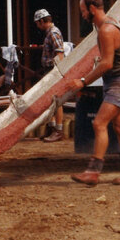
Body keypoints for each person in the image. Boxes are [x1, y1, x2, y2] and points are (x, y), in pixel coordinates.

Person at [70, 0, 120, 185]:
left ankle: (93, 172)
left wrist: (83, 81)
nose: (82, 14)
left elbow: (107, 63)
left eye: (83, 10)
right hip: (118, 82)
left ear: (92, 8)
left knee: (99, 123)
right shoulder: (106, 25)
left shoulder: (107, 30)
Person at [35, 8, 67, 142]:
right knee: (50, 101)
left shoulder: (53, 33)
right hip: (49, 70)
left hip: (53, 70)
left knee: (57, 100)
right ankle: (52, 127)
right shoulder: (50, 33)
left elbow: (60, 53)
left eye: (37, 23)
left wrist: (56, 72)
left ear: (42, 21)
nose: (37, 26)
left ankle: (58, 130)